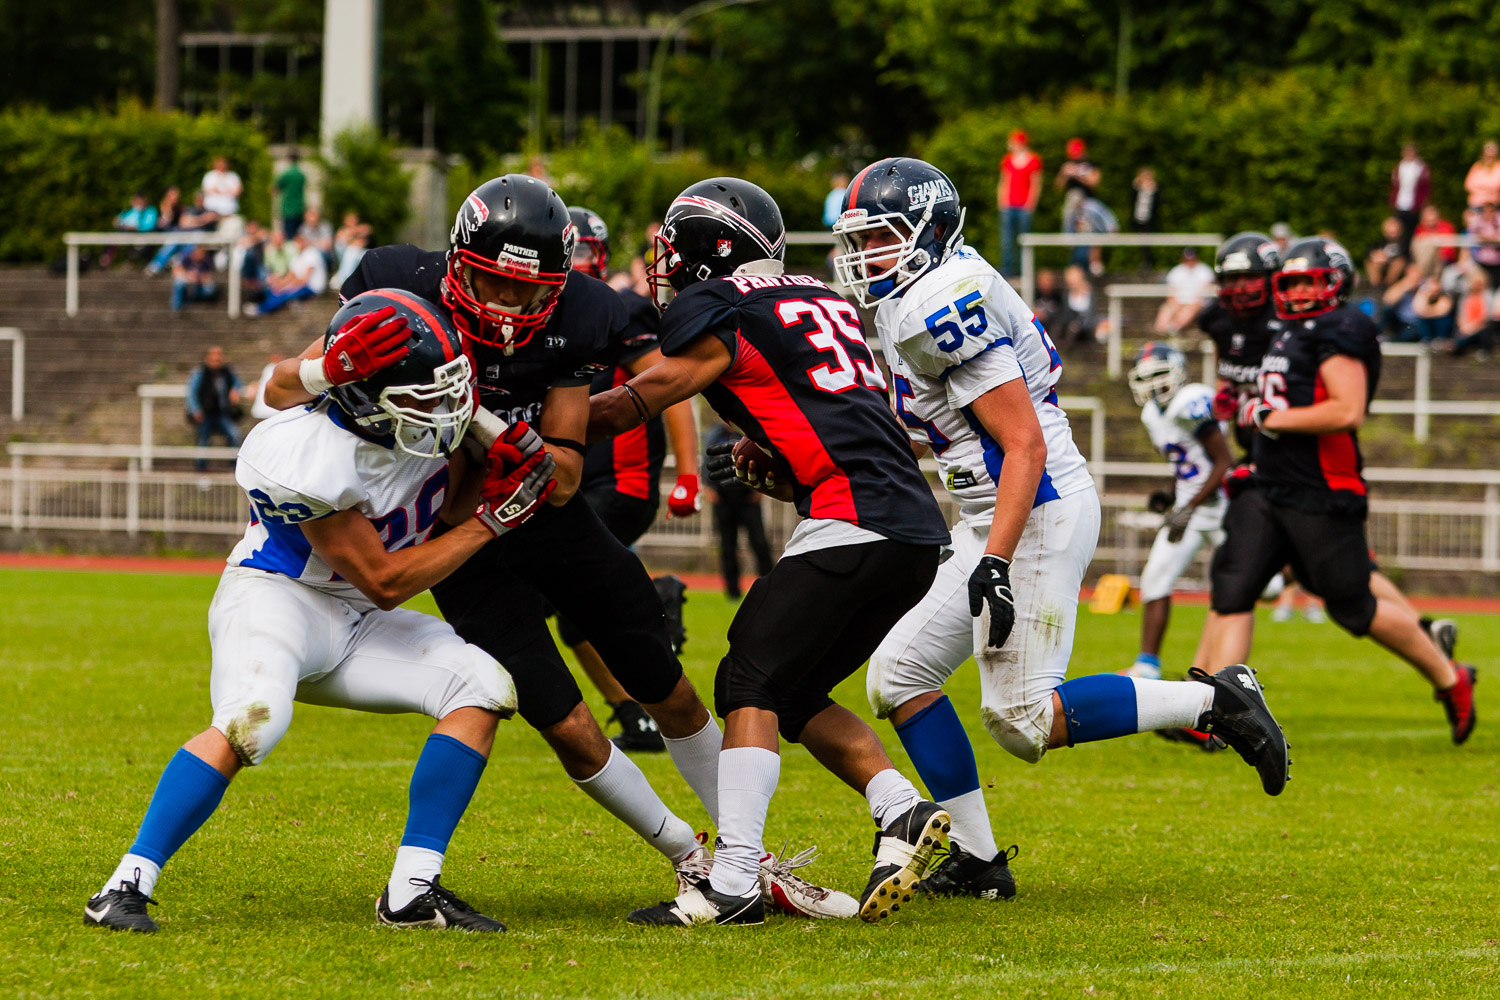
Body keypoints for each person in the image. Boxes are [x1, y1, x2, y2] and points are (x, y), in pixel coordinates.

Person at [258, 176, 845, 916]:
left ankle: (740, 855)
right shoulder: (398, 283)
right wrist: (325, 371)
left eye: (529, 294)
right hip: (460, 540)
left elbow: (565, 476)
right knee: (562, 720)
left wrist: (499, 437)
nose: (510, 309)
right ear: (458, 264)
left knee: (665, 683)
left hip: (550, 521)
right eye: (494, 286)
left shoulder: (580, 313)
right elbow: (278, 392)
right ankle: (690, 857)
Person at [824, 158, 1288, 906]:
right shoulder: (919, 294)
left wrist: (996, 560)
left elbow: (1025, 445)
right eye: (862, 240)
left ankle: (1216, 703)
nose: (866, 256)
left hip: (1033, 505)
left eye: (880, 238)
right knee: (899, 676)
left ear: (928, 232)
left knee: (1022, 720)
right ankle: (977, 859)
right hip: (997, 505)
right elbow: (947, 432)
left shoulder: (940, 299)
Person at [84, 293, 554, 934]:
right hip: (279, 599)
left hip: (358, 618)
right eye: (423, 400)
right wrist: (492, 523)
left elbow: (437, 517)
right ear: (366, 394)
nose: (442, 412)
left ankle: (411, 892)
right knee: (254, 723)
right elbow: (388, 580)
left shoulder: (412, 407)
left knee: (483, 686)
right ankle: (124, 883)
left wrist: (489, 472)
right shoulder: (306, 455)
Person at [590, 175, 956, 927]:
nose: (664, 260)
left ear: (710, 247)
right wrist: (779, 461)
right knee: (788, 695)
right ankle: (903, 811)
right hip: (911, 530)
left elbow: (643, 396)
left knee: (745, 678)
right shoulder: (820, 300)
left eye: (674, 242)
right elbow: (835, 414)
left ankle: (732, 882)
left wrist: (540, 425)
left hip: (854, 518)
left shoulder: (730, 310)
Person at [1199, 238, 1478, 744]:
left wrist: (1269, 416)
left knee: (1352, 607)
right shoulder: (1285, 330)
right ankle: (1219, 713)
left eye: (1310, 281)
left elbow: (1346, 410)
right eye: (1292, 282)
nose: (1301, 291)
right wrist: (1245, 402)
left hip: (1320, 488)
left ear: (1336, 285)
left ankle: (1449, 677)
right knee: (1234, 588)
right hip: (1266, 482)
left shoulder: (1342, 328)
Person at [558, 205, 702, 754]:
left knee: (568, 595)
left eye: (581, 252)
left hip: (623, 481)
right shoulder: (543, 317)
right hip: (570, 479)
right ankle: (634, 715)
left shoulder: (620, 309)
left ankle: (652, 602)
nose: (571, 265)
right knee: (574, 615)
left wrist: (687, 475)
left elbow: (672, 390)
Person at [1124, 343, 1232, 680]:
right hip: (1190, 509)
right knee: (1156, 577)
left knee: (1269, 588)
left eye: (1159, 373)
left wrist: (1188, 505)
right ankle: (1147, 665)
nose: (1154, 383)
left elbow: (1223, 461)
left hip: (1224, 507)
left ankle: (1293, 564)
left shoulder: (1191, 402)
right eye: (1147, 377)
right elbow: (1185, 461)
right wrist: (1170, 495)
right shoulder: (1151, 415)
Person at [702, 422, 774, 599]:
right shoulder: (714, 435)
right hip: (723, 499)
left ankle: (771, 585)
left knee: (759, 542)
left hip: (748, 498)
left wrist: (761, 490)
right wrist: (708, 489)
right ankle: (732, 591)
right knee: (728, 546)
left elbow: (766, 459)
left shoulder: (751, 432)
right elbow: (706, 462)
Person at [186, 347, 243, 468]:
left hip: (223, 413)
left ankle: (234, 467)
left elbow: (238, 382)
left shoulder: (227, 372)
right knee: (202, 440)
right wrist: (195, 409)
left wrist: (235, 390)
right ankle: (201, 468)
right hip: (205, 414)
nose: (217, 360)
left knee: (234, 435)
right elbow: (191, 392)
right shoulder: (200, 373)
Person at [997, 130, 1042, 277]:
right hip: (1009, 205)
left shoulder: (1033, 160)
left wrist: (1031, 203)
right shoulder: (1008, 160)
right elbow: (1004, 181)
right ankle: (1008, 269)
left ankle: (1024, 270)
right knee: (1007, 241)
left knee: (1024, 240)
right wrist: (1002, 200)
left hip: (1024, 206)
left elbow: (1036, 183)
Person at [145, 190, 219, 276]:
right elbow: (183, 222)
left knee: (193, 240)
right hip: (183, 234)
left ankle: (179, 262)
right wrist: (202, 219)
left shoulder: (209, 211)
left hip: (197, 236)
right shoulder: (190, 209)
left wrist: (194, 220)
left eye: (201, 199)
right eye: (198, 199)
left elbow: (212, 218)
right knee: (172, 242)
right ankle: (156, 265)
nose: (199, 201)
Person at [253, 230, 328, 314]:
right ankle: (261, 307)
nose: (297, 244)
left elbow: (304, 280)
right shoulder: (297, 256)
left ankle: (261, 309)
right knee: (273, 290)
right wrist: (280, 285)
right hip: (303, 286)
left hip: (312, 288)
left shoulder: (312, 254)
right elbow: (291, 276)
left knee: (285, 294)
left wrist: (288, 287)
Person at [1155, 247, 1216, 335]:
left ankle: (1174, 328)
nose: (1190, 261)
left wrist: (1194, 301)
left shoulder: (1204, 271)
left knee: (1190, 308)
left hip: (1197, 302)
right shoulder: (1176, 271)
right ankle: (1161, 330)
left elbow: (1204, 291)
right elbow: (1171, 291)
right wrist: (1175, 302)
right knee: (1167, 308)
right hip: (1179, 301)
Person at [1390, 143, 1430, 246]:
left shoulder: (1420, 167)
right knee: (1399, 231)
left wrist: (1421, 203)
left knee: (1413, 232)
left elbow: (1424, 188)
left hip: (1414, 206)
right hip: (1400, 204)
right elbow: (1395, 186)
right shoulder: (1399, 167)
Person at [170, 244, 218, 313]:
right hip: (187, 282)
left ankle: (191, 299)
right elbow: (176, 270)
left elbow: (208, 277)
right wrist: (188, 276)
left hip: (198, 284)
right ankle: (176, 307)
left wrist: (198, 278)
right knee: (178, 283)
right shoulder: (187, 258)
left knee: (210, 289)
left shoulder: (206, 261)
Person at [1129, 167, 1161, 269]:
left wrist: (1152, 189)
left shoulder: (1154, 190)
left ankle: (1147, 263)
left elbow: (1157, 203)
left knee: (1146, 243)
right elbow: (1132, 198)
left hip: (1149, 220)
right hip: (1138, 219)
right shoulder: (1138, 189)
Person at [274, 153, 307, 240]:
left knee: (289, 237)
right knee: (299, 235)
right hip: (299, 208)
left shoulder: (287, 174)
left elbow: (275, 188)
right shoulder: (301, 175)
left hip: (288, 209)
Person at [201, 155, 243, 220]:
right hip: (212, 209)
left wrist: (219, 191)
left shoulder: (233, 176)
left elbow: (238, 191)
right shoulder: (209, 176)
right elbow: (206, 190)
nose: (221, 166)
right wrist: (227, 191)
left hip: (229, 210)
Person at [1464, 141, 1500, 212]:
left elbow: (1496, 185)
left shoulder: (1498, 167)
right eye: (1487, 156)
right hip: (1475, 204)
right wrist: (1488, 189)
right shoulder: (1477, 166)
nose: (1489, 158)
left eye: (1492, 156)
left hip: (1493, 205)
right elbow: (1468, 185)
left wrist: (1480, 188)